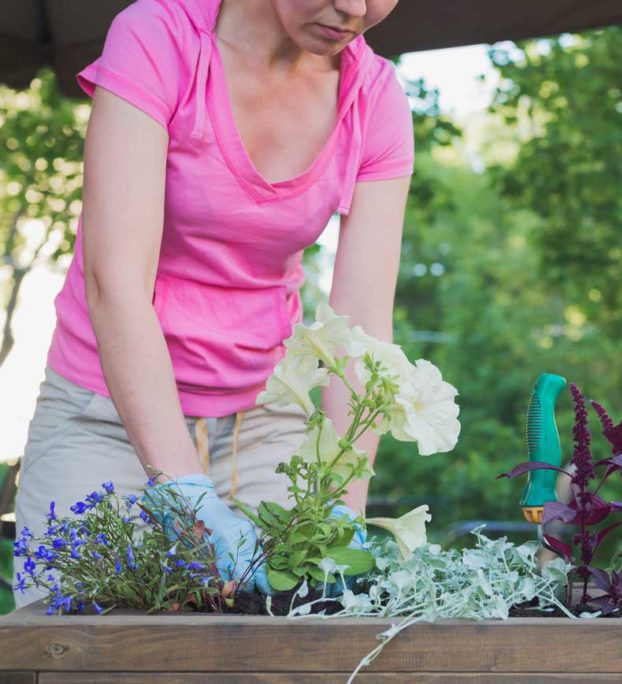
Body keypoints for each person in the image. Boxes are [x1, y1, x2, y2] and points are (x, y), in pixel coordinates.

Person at [14, 0, 411, 608]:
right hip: (105, 416)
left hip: (269, 425)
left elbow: (361, 326)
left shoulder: (374, 98)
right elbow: (114, 282)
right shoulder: (159, 38)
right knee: (72, 650)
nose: (355, 8)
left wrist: (341, 503)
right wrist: (186, 494)